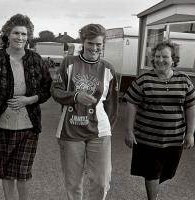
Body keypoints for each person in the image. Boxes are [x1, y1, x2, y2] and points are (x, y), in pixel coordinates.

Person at [0, 14, 52, 200]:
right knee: (7, 171)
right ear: (7, 34)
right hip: (1, 126)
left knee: (24, 172)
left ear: (28, 36)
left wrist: (29, 100)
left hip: (29, 126)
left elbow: (47, 89)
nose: (20, 37)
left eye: (24, 34)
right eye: (16, 33)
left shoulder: (35, 59)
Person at [51, 24, 119, 200]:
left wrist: (107, 128)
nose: (94, 48)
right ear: (83, 42)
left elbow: (112, 104)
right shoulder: (69, 63)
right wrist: (75, 96)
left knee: (101, 181)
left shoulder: (108, 68)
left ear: (103, 45)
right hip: (70, 130)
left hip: (99, 131)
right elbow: (56, 91)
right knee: (73, 183)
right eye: (90, 43)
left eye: (98, 44)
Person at [124, 41, 195, 200]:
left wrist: (190, 133)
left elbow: (191, 107)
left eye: (165, 56)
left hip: (174, 139)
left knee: (167, 173)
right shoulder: (144, 79)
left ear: (173, 59)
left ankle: (154, 185)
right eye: (157, 56)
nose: (160, 60)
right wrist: (129, 131)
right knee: (152, 173)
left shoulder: (184, 80)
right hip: (148, 138)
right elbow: (132, 103)